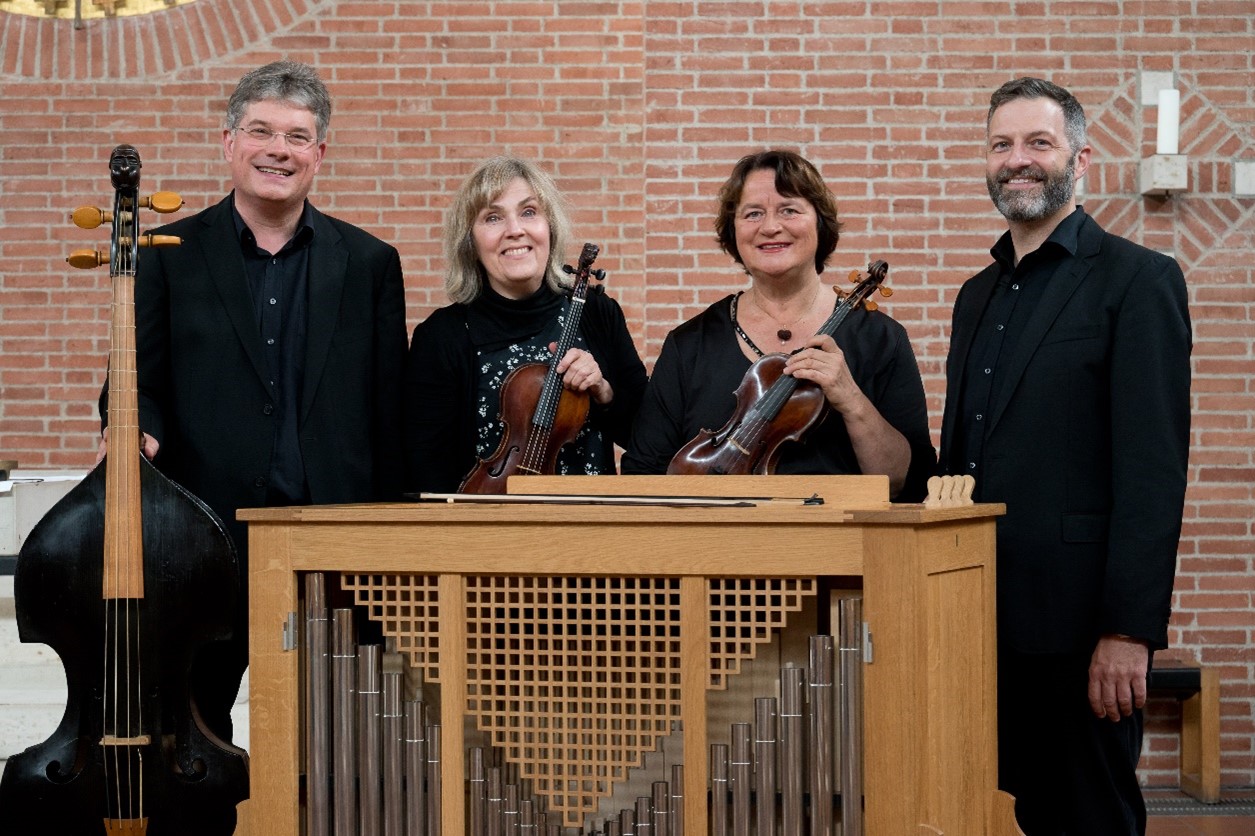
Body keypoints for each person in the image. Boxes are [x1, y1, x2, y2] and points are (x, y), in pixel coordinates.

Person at [97, 60, 407, 743]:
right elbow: (131, 382)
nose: (279, 149)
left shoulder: (370, 264)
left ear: (319, 154)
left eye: (297, 136)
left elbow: (389, 415)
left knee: (335, 742)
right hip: (202, 543)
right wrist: (134, 430)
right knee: (190, 731)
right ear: (229, 142)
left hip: (329, 542)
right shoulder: (165, 253)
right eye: (261, 130)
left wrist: (389, 541)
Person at [939, 77, 1191, 834]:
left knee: (1089, 820)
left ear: (1080, 160)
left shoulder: (1137, 280)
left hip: (1081, 628)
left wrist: (1128, 630)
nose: (1017, 160)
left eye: (1037, 143)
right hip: (978, 614)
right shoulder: (973, 296)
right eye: (1001, 144)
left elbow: (1152, 470)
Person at [620, 149, 934, 500]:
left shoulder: (879, 339)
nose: (770, 227)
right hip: (718, 548)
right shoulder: (690, 344)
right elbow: (643, 473)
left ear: (819, 223)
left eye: (789, 210)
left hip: (840, 546)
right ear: (734, 231)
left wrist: (851, 399)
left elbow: (910, 482)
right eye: (753, 213)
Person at [404, 156, 647, 493]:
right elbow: (426, 469)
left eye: (529, 212)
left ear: (550, 226)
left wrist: (603, 392)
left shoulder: (596, 313)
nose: (515, 230)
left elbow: (647, 438)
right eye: (492, 217)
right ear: (470, 242)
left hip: (589, 524)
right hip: (486, 529)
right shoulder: (443, 335)